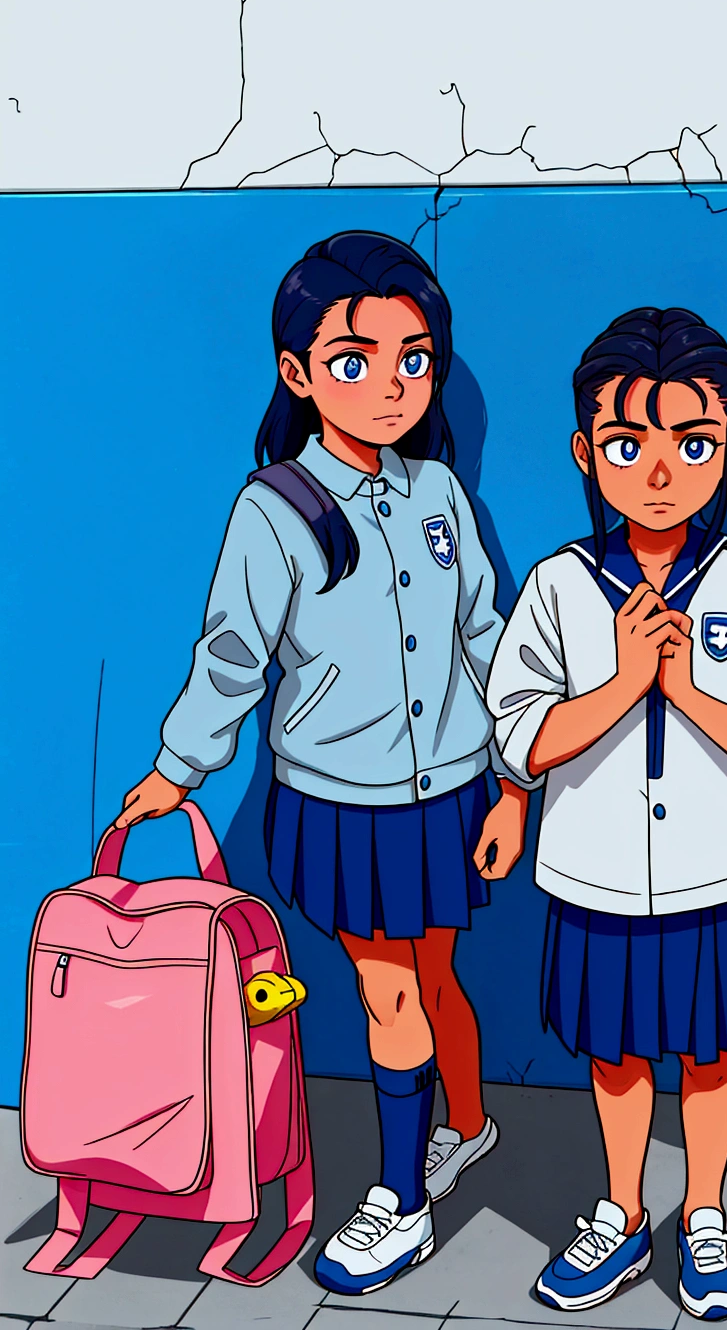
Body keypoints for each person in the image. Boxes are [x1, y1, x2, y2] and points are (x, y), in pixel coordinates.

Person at [116, 231, 530, 1296]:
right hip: (344, 806)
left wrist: (520, 769)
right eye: (354, 360)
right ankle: (403, 1197)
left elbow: (486, 635)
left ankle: (460, 1136)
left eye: (414, 357)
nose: (390, 384)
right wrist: (180, 767)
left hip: (453, 789)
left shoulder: (437, 495)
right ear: (298, 374)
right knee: (389, 987)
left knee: (433, 976)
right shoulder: (273, 510)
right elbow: (232, 658)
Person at [488, 308, 727, 1320]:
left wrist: (685, 689)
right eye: (626, 445)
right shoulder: (561, 586)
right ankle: (619, 1213)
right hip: (594, 868)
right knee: (615, 1052)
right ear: (584, 451)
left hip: (717, 869)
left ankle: (703, 1213)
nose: (659, 473)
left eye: (691, 445)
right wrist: (621, 684)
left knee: (710, 1050)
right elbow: (517, 735)